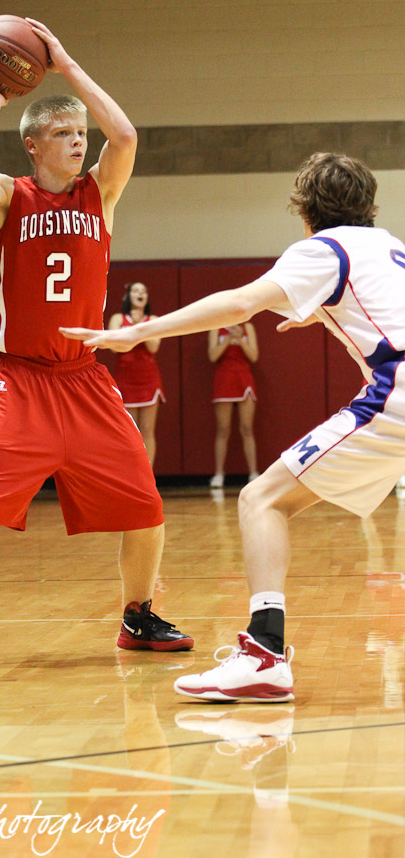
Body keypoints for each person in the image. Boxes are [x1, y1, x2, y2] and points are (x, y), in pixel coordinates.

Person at [0, 18, 193, 667]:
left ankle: (137, 616)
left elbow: (126, 135)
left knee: (144, 505)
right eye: (62, 134)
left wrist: (68, 65)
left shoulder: (98, 194)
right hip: (17, 380)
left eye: (80, 134)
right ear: (33, 145)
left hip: (82, 378)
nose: (78, 143)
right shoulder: (8, 197)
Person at [62, 151, 405, 702]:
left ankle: (265, 656)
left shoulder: (322, 249)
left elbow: (238, 303)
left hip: (397, 394)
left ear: (305, 209)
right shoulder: (389, 245)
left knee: (262, 501)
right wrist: (317, 311)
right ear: (367, 203)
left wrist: (138, 331)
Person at [107, 281, 165, 465]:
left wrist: (140, 326)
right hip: (125, 380)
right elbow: (115, 348)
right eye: (136, 290)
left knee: (147, 430)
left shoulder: (153, 319)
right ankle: (129, 474)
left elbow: (153, 346)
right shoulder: (118, 318)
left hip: (148, 379)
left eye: (144, 291)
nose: (140, 294)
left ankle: (148, 477)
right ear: (128, 296)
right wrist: (133, 327)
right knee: (128, 432)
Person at [208, 323, 259, 487]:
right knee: (223, 429)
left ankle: (253, 473)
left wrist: (240, 339)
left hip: (244, 378)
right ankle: (218, 474)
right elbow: (213, 355)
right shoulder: (216, 328)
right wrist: (229, 338)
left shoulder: (248, 327)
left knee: (247, 428)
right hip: (224, 378)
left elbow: (254, 356)